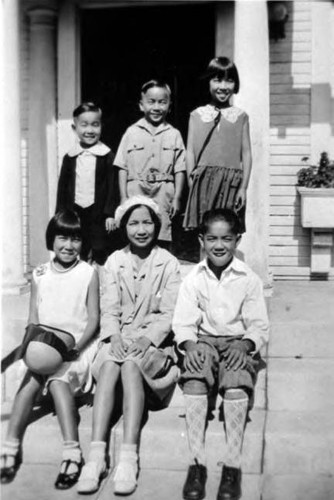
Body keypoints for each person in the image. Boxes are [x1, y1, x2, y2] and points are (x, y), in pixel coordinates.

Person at [77, 196, 180, 496]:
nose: (141, 229)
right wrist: (116, 337)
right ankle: (96, 456)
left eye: (147, 222)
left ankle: (128, 457)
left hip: (153, 344)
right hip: (119, 337)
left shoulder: (169, 263)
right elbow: (109, 309)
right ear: (124, 228)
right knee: (109, 364)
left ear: (157, 225)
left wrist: (147, 338)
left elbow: (169, 314)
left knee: (133, 365)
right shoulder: (114, 262)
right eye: (133, 223)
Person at [173, 208, 269, 500]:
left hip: (236, 342)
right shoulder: (193, 278)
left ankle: (232, 465)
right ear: (201, 239)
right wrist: (189, 346)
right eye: (212, 238)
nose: (219, 245)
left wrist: (246, 345)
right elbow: (183, 322)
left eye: (226, 239)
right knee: (195, 378)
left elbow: (258, 325)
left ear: (237, 240)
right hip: (203, 340)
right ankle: (197, 463)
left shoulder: (248, 279)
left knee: (237, 381)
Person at [0, 210, 99, 489]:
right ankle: (10, 446)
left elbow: (93, 319)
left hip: (75, 349)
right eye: (62, 238)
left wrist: (77, 348)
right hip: (43, 345)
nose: (68, 245)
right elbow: (33, 318)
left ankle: (72, 452)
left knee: (58, 382)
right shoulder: (40, 274)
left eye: (75, 239)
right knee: (28, 384)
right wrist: (30, 347)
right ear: (51, 240)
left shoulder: (88, 273)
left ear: (83, 242)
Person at [114, 80, 186, 248]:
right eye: (151, 101)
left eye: (162, 102)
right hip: (136, 188)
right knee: (136, 231)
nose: (156, 107)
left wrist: (177, 198)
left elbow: (180, 169)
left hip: (163, 190)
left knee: (161, 234)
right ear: (141, 105)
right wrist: (123, 197)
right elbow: (122, 166)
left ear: (169, 106)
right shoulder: (131, 132)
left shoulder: (174, 134)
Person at [183, 57, 252, 234]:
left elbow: (246, 153)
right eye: (217, 79)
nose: (223, 86)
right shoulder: (197, 115)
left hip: (231, 184)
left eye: (229, 80)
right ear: (208, 82)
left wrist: (243, 188)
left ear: (235, 84)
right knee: (204, 231)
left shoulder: (241, 116)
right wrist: (192, 183)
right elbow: (190, 150)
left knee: (228, 231)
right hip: (204, 181)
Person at [56, 102, 119, 265]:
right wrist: (60, 214)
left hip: (98, 212)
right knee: (78, 244)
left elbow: (113, 186)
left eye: (95, 125)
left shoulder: (107, 155)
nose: (90, 130)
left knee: (100, 247)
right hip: (75, 210)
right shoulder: (70, 157)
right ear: (74, 127)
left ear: (101, 126)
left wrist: (110, 213)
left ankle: (100, 282)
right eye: (84, 125)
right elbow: (62, 188)